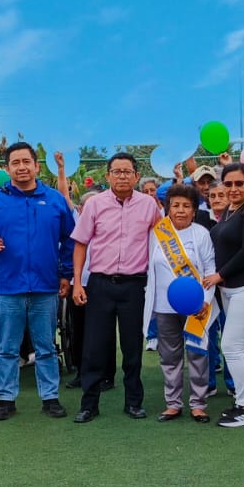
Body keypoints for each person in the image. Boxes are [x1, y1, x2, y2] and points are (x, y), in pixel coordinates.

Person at [0, 142, 76, 421]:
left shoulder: (54, 200)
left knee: (46, 347)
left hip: (46, 287)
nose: (22, 167)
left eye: (26, 162)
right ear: (7, 169)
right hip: (8, 288)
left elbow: (70, 239)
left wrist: (66, 274)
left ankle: (50, 398)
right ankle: (6, 399)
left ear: (36, 166)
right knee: (7, 348)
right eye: (15, 163)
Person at [69, 152, 161, 422]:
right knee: (95, 347)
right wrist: (78, 282)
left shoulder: (149, 205)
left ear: (136, 176)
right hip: (100, 284)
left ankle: (133, 402)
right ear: (108, 175)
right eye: (117, 171)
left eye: (127, 171)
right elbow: (81, 244)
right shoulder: (95, 204)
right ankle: (89, 404)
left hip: (134, 285)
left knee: (132, 346)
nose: (122, 176)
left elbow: (162, 241)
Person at [205, 163, 244, 427]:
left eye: (239, 183)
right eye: (228, 183)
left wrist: (219, 275)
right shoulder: (230, 211)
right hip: (231, 291)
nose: (233, 188)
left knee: (231, 346)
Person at [147, 184, 217, 421]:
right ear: (167, 208)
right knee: (169, 356)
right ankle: (173, 403)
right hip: (164, 307)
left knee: (197, 353)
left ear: (194, 210)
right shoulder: (158, 233)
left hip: (196, 306)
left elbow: (210, 270)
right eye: (175, 205)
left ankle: (198, 404)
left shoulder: (201, 234)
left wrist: (205, 301)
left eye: (186, 206)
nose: (180, 210)